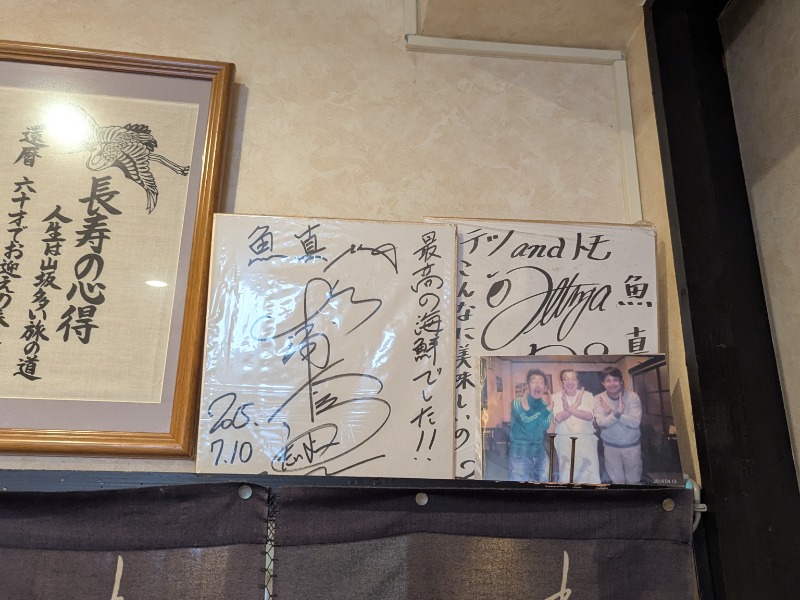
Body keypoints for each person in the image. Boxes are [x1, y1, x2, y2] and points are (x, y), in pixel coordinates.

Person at [593, 366, 643, 484]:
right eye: (608, 380)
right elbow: (601, 424)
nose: (612, 384)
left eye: (615, 380)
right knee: (617, 482)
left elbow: (635, 422)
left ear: (621, 381)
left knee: (634, 481)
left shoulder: (633, 397)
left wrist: (613, 412)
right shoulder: (598, 399)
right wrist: (617, 413)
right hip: (610, 447)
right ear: (603, 383)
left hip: (631, 446)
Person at [552, 368, 601, 483]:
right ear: (562, 382)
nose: (570, 382)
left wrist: (568, 409)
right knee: (567, 474)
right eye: (566, 379)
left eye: (573, 379)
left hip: (586, 440)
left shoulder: (587, 395)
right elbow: (558, 418)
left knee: (590, 473)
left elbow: (588, 416)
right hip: (564, 440)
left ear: (578, 381)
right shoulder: (555, 397)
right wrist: (576, 405)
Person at [508, 368, 553, 482]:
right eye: (533, 382)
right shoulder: (517, 403)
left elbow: (544, 426)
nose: (537, 385)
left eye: (541, 382)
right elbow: (527, 424)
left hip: (540, 454)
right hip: (519, 455)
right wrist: (546, 411)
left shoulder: (546, 406)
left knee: (546, 487)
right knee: (519, 490)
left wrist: (530, 412)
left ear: (545, 388)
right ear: (528, 386)